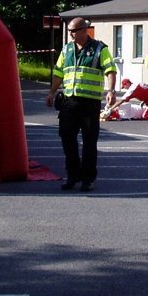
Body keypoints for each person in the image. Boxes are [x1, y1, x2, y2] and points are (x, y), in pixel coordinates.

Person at [47, 18, 117, 192]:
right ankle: (73, 175)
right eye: (69, 30)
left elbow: (110, 70)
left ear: (85, 30)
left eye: (74, 30)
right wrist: (52, 92)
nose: (70, 34)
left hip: (89, 103)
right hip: (69, 102)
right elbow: (58, 72)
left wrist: (111, 91)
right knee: (67, 138)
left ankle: (88, 179)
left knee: (89, 142)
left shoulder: (100, 49)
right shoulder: (67, 49)